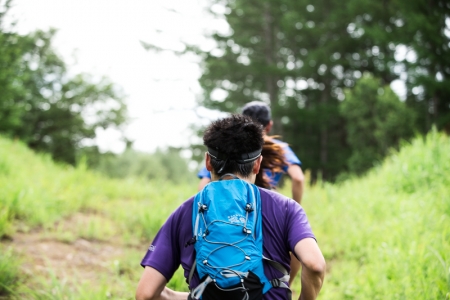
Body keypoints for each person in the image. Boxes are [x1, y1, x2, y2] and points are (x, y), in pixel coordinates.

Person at [135, 114, 325, 300]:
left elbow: (146, 294)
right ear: (258, 164)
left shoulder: (185, 211)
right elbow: (314, 264)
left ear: (208, 161)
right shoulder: (286, 208)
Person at [197, 101, 305, 204]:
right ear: (269, 125)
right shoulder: (279, 148)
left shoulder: (229, 146)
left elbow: (204, 183)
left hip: (231, 203)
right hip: (267, 204)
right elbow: (298, 178)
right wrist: (294, 209)